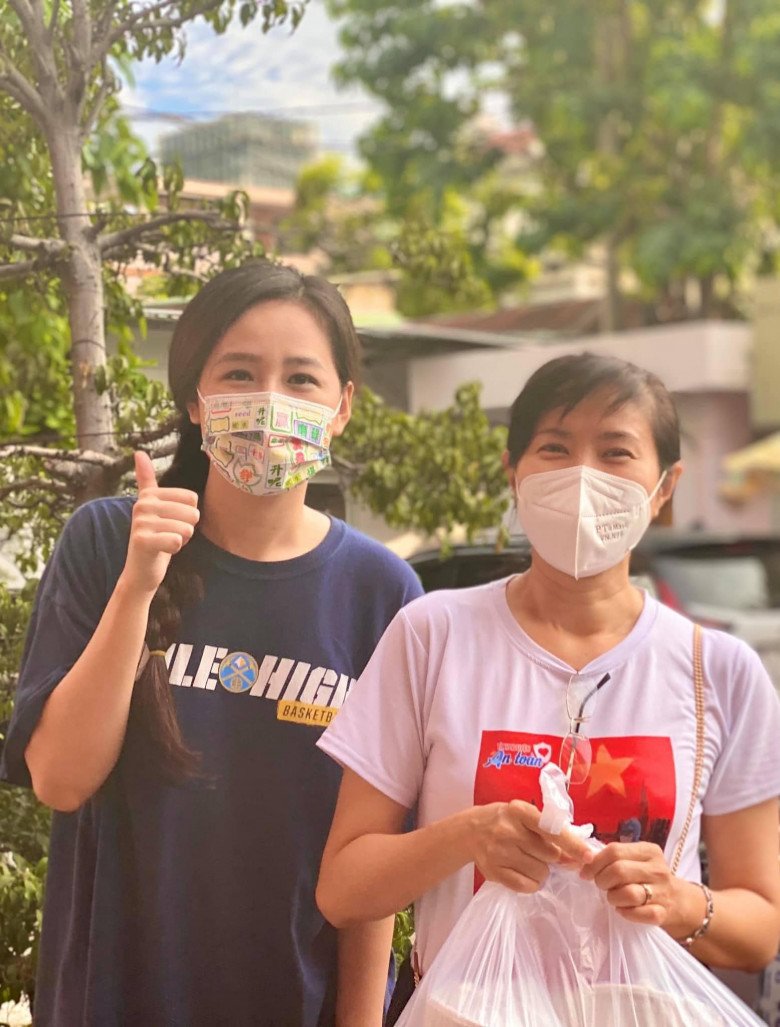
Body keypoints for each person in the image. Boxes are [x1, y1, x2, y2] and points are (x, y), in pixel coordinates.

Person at [0, 262, 423, 1026]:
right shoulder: (107, 541)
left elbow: (369, 865)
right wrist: (137, 587)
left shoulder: (383, 593)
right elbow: (60, 779)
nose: (270, 400)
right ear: (196, 398)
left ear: (342, 408)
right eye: (239, 372)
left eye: (301, 378)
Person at [316, 352, 780, 1011]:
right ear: (513, 473)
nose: (583, 476)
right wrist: (466, 836)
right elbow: (343, 887)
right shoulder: (433, 635)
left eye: (616, 452)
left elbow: (760, 927)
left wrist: (676, 899)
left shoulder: (721, 671)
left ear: (665, 486)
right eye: (555, 447)